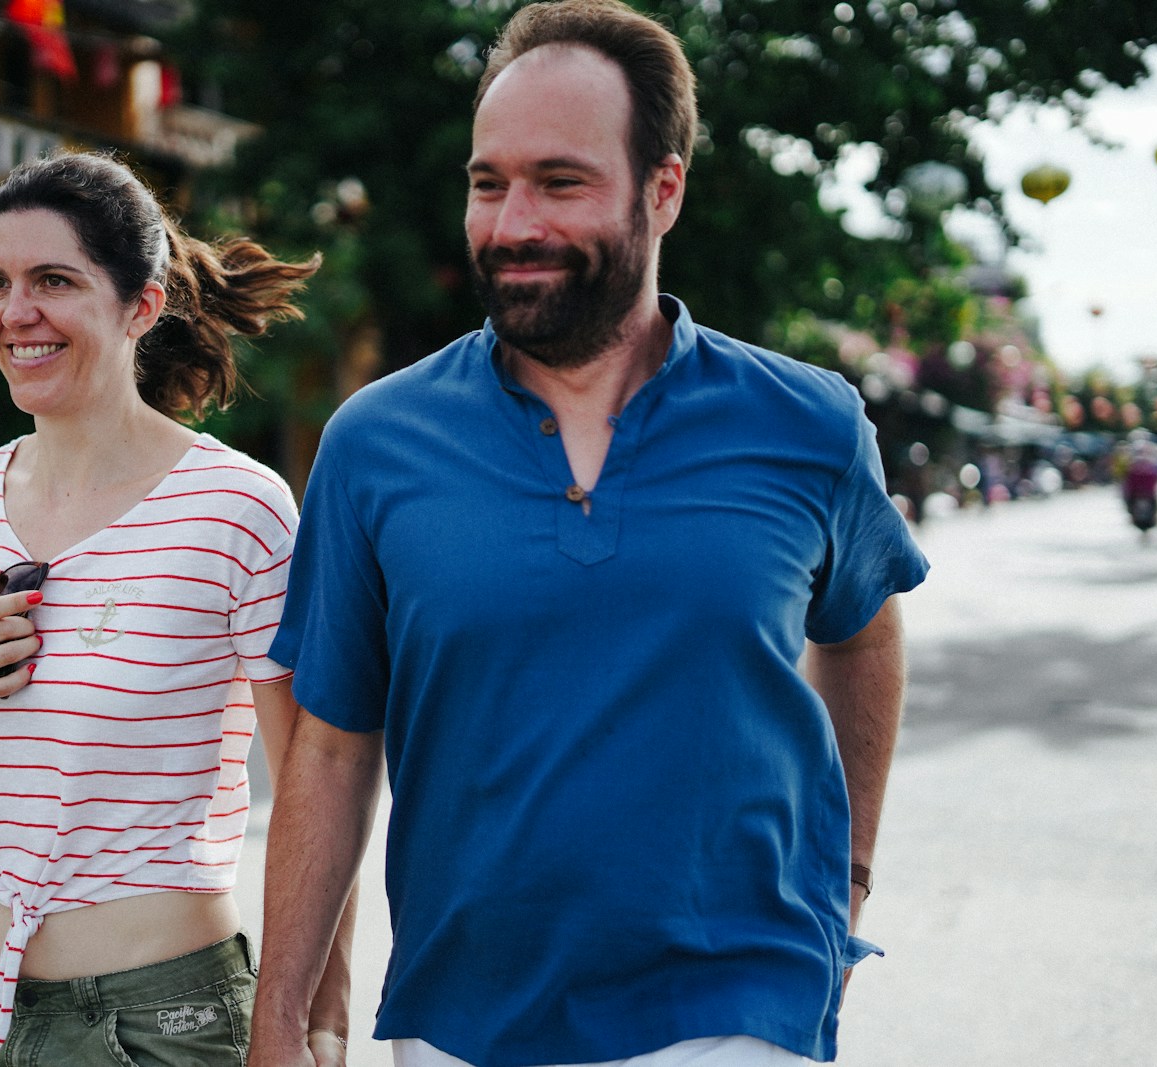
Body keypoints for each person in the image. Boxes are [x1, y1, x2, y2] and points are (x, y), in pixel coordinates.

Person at [251, 4, 929, 1067]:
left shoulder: (808, 424)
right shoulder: (374, 444)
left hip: (740, 1009)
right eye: (488, 183)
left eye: (559, 182)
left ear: (662, 188)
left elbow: (863, 633)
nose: (512, 220)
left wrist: (846, 878)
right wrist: (282, 1018)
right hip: (461, 1019)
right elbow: (332, 747)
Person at [0, 151, 354, 1067]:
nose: (15, 312)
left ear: (141, 305)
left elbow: (316, 786)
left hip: (161, 1022)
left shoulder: (236, 507)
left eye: (53, 281)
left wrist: (311, 1025)